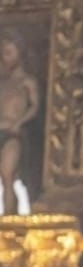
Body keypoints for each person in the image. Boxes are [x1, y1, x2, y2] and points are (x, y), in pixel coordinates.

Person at [0, 30, 39, 215]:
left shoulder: (27, 82)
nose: (5, 57)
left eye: (9, 52)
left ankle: (8, 217)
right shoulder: (3, 82)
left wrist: (19, 122)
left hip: (13, 133)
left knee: (8, 174)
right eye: (3, 53)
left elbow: (34, 106)